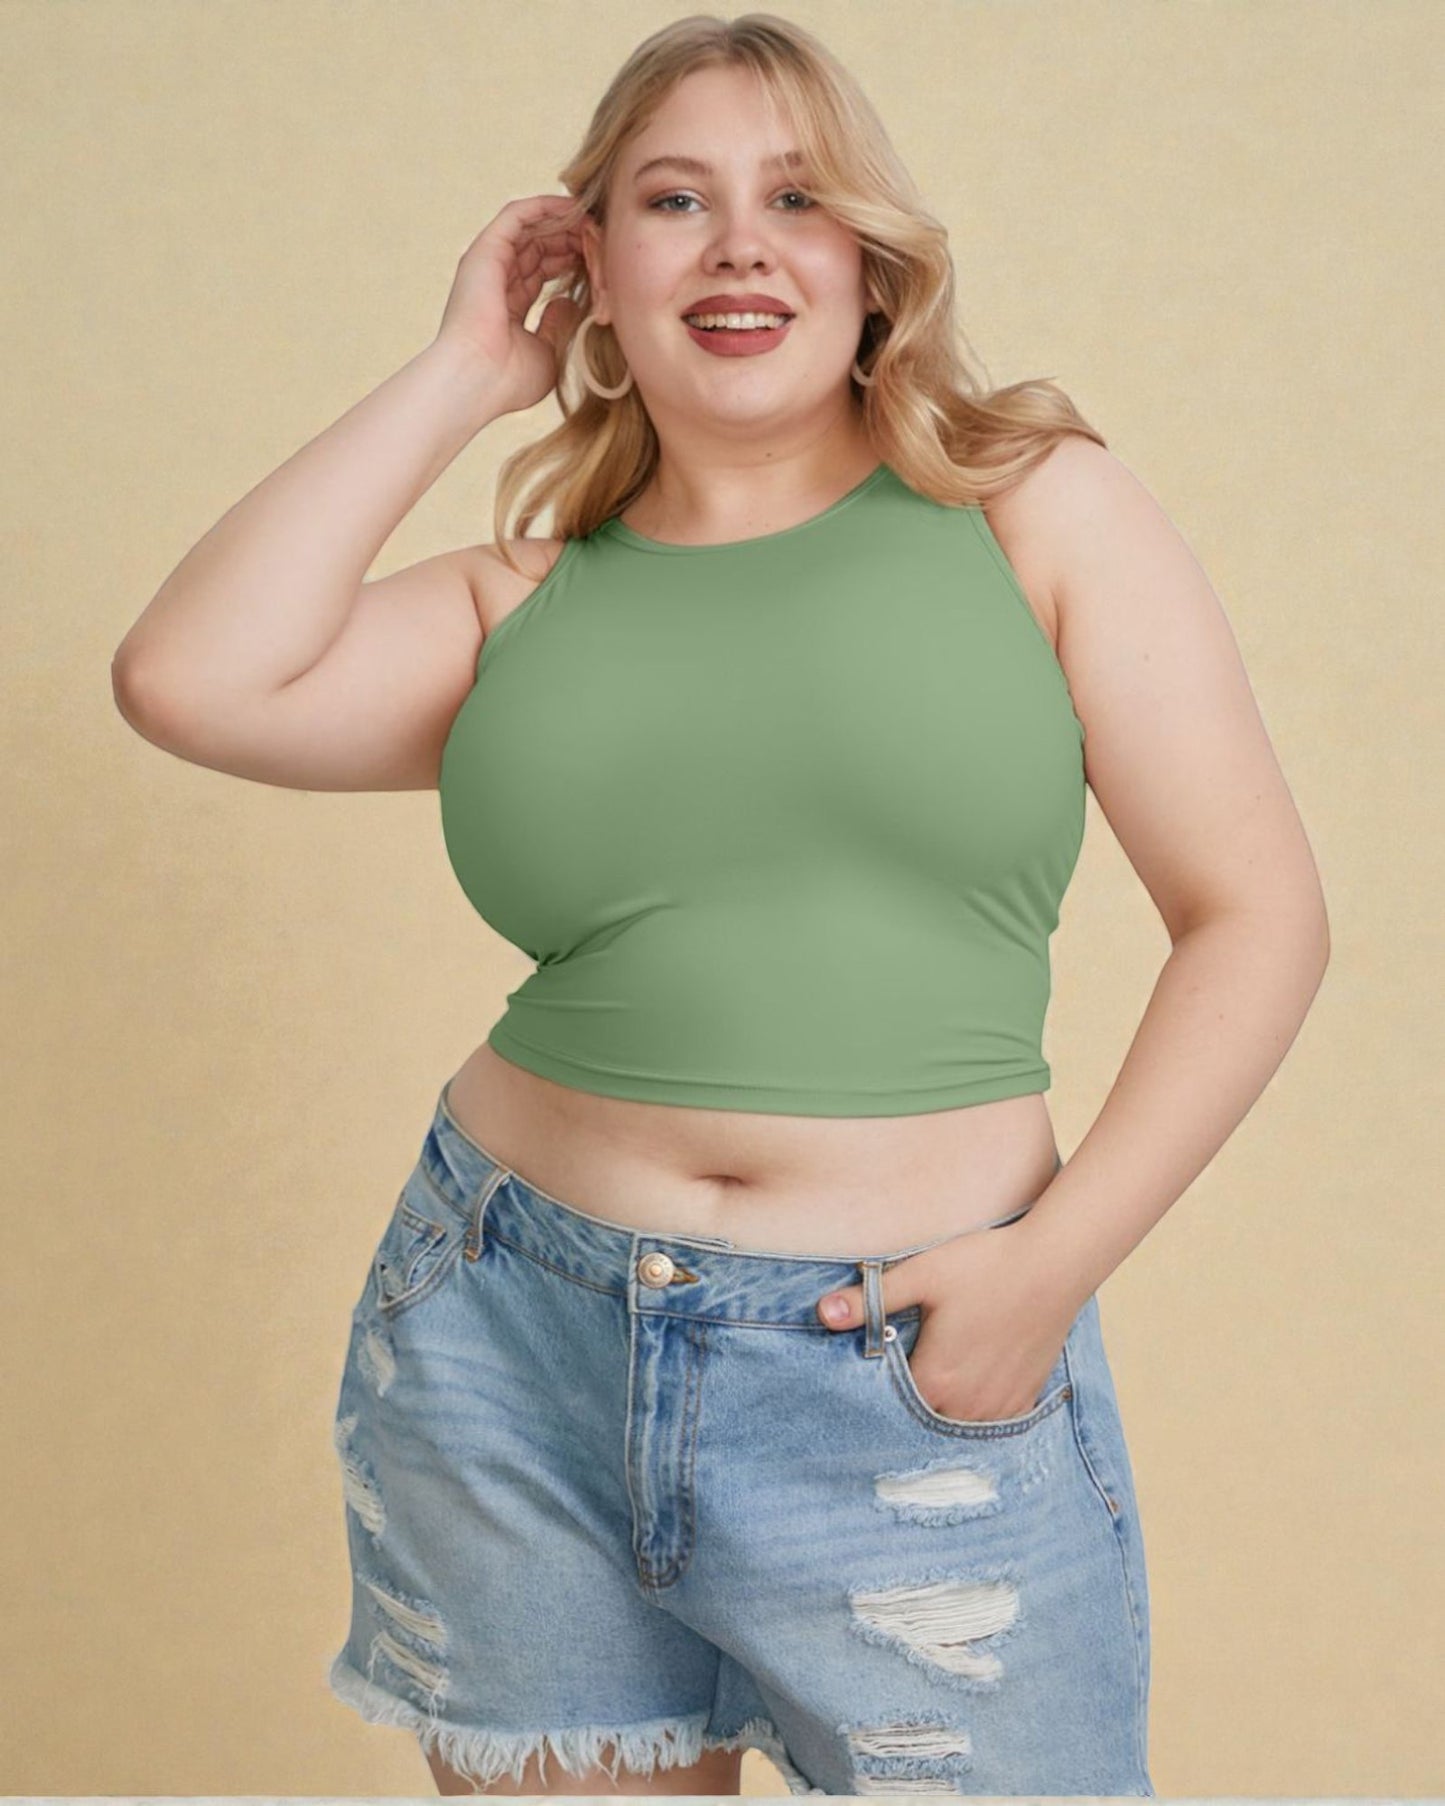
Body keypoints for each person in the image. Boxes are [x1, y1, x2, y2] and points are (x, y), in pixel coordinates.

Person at [110, 15, 1330, 1799]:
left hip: (900, 1365)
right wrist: (460, 373)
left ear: (869, 268)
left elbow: (1257, 915)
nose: (741, 244)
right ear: (587, 268)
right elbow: (183, 679)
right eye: (673, 200)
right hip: (508, 1334)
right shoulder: (514, 601)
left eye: (797, 197)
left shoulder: (1029, 515)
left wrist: (1050, 1269)